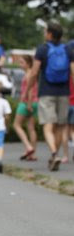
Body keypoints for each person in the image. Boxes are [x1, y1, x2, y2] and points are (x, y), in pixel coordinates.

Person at [26, 21, 74, 171]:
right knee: (60, 126)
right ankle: (56, 155)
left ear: (50, 34)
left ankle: (53, 153)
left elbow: (34, 72)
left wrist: (28, 90)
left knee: (48, 126)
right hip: (64, 92)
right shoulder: (67, 49)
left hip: (46, 92)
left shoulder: (42, 49)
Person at [12, 54, 38, 161]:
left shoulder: (28, 74)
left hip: (27, 102)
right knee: (31, 128)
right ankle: (32, 153)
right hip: (36, 102)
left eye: (22, 62)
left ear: (28, 64)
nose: (20, 65)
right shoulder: (32, 73)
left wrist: (28, 104)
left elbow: (31, 90)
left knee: (16, 125)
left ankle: (28, 146)